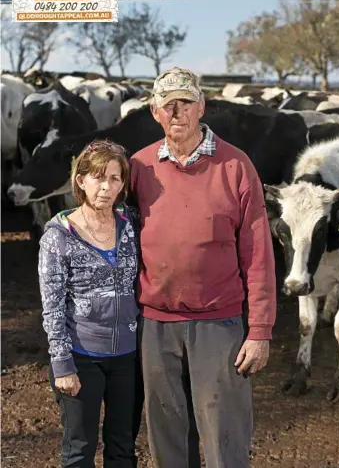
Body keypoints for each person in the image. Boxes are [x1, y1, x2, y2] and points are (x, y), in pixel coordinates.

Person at [129, 67, 277, 468]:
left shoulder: (235, 166)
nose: (177, 113)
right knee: (167, 438)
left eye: (186, 103)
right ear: (155, 111)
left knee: (223, 437)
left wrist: (259, 329)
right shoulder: (139, 167)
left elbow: (258, 253)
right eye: (168, 105)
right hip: (155, 325)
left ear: (202, 107)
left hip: (219, 323)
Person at [38, 140, 142, 468]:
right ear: (81, 181)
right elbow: (52, 306)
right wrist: (62, 364)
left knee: (123, 445)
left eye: (115, 178)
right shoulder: (59, 234)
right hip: (81, 356)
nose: (106, 187)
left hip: (127, 356)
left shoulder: (132, 225)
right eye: (99, 177)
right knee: (79, 448)